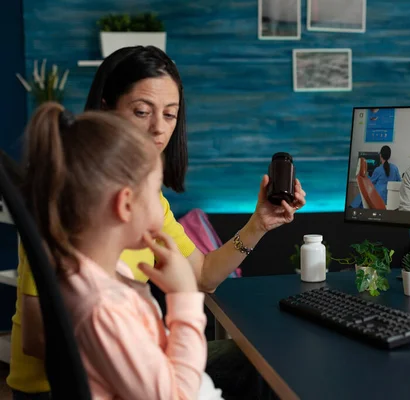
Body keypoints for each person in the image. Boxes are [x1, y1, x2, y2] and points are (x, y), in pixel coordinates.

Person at [7, 46, 306, 399]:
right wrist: (147, 345)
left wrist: (259, 223)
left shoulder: (148, 205)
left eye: (170, 115)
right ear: (106, 109)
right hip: (66, 387)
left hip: (132, 363)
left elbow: (204, 274)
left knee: (261, 362)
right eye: (141, 112)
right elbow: (39, 338)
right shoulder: (68, 203)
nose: (158, 129)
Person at [20, 102, 222, 399]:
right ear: (125, 204)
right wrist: (184, 296)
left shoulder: (100, 275)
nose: (161, 205)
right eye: (155, 191)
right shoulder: (103, 309)